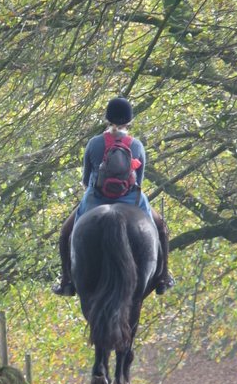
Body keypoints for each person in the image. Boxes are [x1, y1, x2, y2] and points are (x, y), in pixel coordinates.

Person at [53, 97, 174, 296]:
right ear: (129, 120)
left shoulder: (94, 143)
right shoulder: (137, 146)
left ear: (107, 118)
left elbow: (86, 180)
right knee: (161, 227)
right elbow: (139, 182)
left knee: (65, 232)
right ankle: (163, 277)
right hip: (131, 200)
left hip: (96, 199)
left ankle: (66, 280)